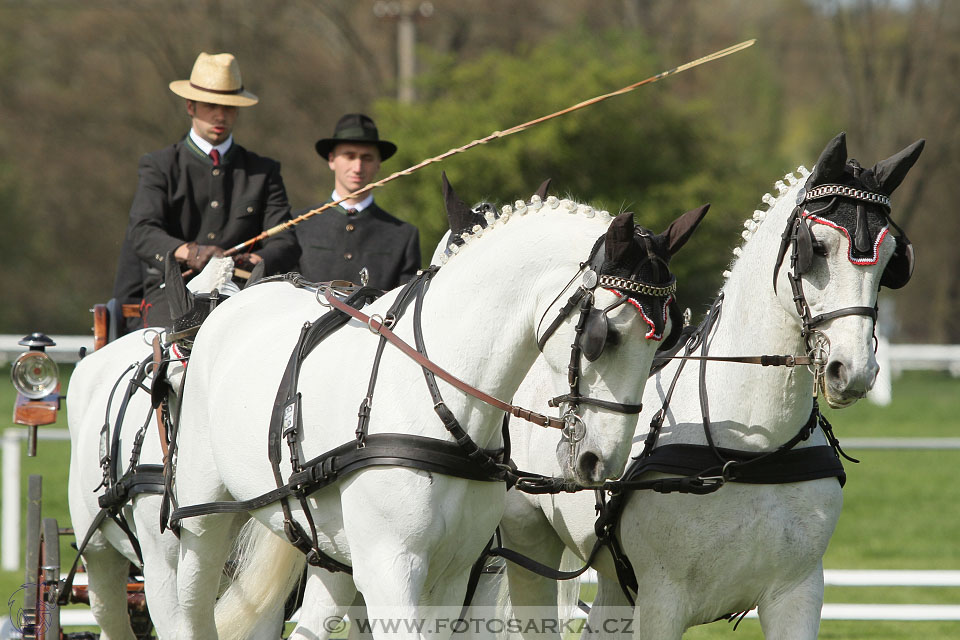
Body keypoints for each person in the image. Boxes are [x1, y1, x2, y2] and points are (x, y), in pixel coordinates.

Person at [120, 51, 299, 329]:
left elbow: (285, 241)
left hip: (243, 293)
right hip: (172, 293)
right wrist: (191, 253)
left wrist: (253, 259)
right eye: (210, 105)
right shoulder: (159, 165)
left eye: (228, 107)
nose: (220, 115)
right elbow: (143, 231)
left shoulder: (264, 171)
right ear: (190, 106)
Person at [295, 113, 420, 291]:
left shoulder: (403, 235)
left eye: (367, 158)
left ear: (379, 164)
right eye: (349, 156)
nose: (358, 167)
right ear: (332, 160)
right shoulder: (298, 224)